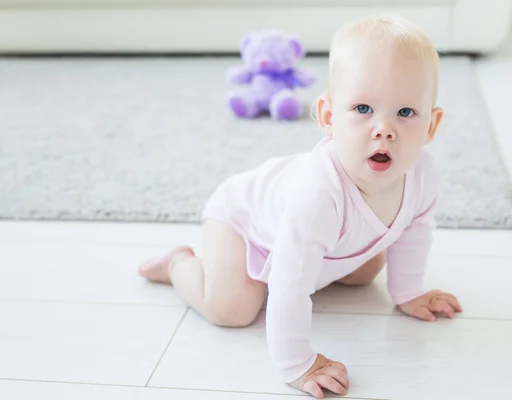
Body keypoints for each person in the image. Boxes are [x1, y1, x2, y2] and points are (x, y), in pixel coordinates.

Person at [138, 14, 462, 399]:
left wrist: (408, 292)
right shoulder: (318, 194)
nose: (383, 129)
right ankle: (179, 264)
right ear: (328, 117)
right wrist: (297, 363)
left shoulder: (423, 173)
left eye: (405, 113)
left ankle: (325, 263)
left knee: (364, 273)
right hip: (244, 225)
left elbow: (416, 229)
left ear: (431, 125)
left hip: (321, 244)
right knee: (232, 309)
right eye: (362, 109)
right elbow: (290, 283)